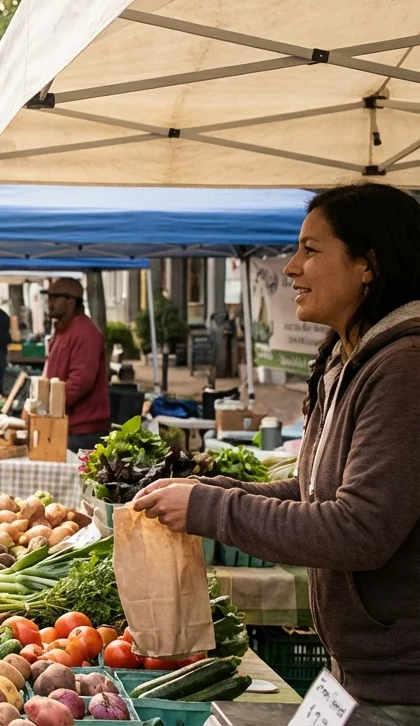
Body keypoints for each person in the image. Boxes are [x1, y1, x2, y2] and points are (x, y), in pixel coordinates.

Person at [133, 183, 420, 715]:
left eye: (311, 250)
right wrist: (214, 490)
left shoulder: (404, 370)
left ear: (368, 265)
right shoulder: (346, 360)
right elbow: (315, 492)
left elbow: (360, 530)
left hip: (401, 684)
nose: (290, 267)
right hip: (356, 674)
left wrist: (211, 508)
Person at [41, 278, 110, 451]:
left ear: (71, 302)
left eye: (55, 298)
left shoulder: (85, 332)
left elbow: (80, 383)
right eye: (49, 298)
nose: (50, 303)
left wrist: (47, 404)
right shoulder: (62, 329)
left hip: (82, 430)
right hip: (65, 424)